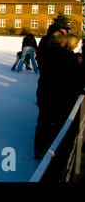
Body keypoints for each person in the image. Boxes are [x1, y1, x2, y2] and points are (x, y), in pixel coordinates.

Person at [33, 30, 82, 159]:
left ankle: (38, 148)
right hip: (60, 94)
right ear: (63, 42)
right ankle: (52, 147)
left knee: (43, 120)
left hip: (44, 91)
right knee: (58, 121)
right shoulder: (67, 55)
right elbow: (73, 76)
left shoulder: (44, 53)